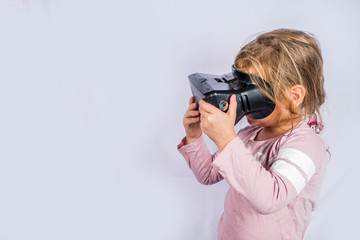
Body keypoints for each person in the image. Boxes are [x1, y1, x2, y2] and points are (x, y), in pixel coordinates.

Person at [177, 29, 329, 240]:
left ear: (294, 95)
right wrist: (194, 136)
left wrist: (226, 139)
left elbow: (270, 199)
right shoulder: (250, 134)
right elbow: (208, 175)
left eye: (252, 89)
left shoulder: (307, 144)